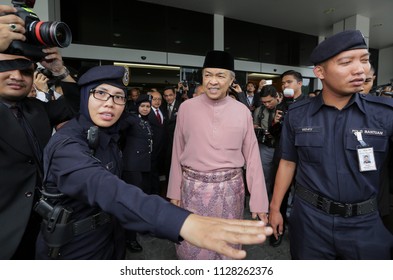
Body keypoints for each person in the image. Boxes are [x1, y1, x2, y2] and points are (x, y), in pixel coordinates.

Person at [35, 65, 272, 260]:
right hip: (73, 247)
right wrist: (181, 221)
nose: (109, 103)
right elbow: (106, 188)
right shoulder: (67, 145)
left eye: (118, 97)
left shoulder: (107, 135)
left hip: (111, 237)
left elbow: (251, 155)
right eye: (99, 94)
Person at [269, 29, 393, 259]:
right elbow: (287, 163)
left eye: (365, 60)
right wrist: (275, 208)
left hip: (365, 223)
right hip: (310, 222)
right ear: (320, 72)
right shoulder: (298, 115)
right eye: (346, 62)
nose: (360, 70)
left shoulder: (384, 114)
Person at [167, 50, 269, 260]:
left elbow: (252, 157)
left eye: (220, 76)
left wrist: (259, 201)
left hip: (230, 191)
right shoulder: (186, 108)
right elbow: (177, 149)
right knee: (192, 246)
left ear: (231, 80)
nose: (213, 81)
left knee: (227, 245)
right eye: (208, 75)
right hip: (192, 189)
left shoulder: (242, 111)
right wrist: (174, 192)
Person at [0, 47, 79, 259]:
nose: (16, 76)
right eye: (5, 67)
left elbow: (77, 106)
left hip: (42, 220)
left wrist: (60, 71)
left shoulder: (35, 108)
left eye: (25, 70)